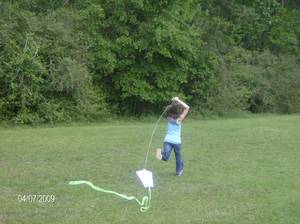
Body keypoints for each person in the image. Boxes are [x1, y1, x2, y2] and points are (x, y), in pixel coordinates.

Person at [156, 97, 190, 176]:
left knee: (165, 157)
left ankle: (160, 152)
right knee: (178, 157)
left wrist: (173, 103)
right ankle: (178, 172)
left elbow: (170, 109)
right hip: (177, 142)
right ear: (179, 111)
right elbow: (187, 108)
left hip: (167, 140)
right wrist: (178, 100)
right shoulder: (179, 119)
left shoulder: (168, 117)